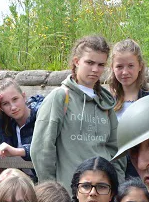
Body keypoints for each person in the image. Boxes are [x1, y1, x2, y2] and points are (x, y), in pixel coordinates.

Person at [31, 36, 125, 186]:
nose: (95, 69)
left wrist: (117, 187)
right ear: (76, 61)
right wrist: (52, 192)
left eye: (101, 64)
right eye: (89, 62)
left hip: (104, 195)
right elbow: (41, 149)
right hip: (69, 195)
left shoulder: (105, 104)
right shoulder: (60, 97)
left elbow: (117, 151)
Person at [0, 78, 43, 160]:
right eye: (5, 104)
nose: (13, 107)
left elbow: (46, 147)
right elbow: (0, 151)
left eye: (15, 99)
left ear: (24, 97)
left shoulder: (41, 114)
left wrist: (16, 151)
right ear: (1, 108)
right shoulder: (9, 125)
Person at [107, 39, 149, 121]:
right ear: (112, 68)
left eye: (130, 66)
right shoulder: (107, 103)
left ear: (140, 66)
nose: (125, 72)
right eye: (119, 66)